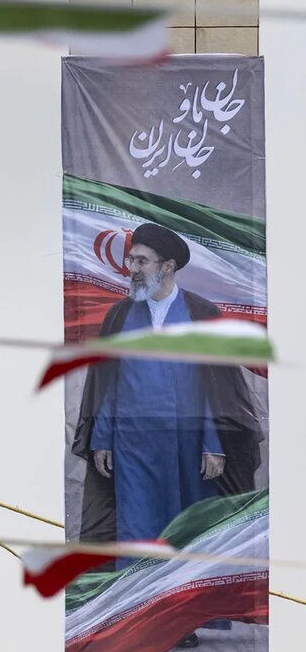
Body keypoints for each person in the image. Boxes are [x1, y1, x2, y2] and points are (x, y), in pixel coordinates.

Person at [73, 222, 263, 546]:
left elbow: (217, 392)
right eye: (131, 260)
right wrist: (102, 438)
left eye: (141, 261)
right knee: (137, 531)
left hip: (189, 446)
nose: (132, 268)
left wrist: (213, 444)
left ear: (168, 267)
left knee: (189, 533)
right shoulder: (119, 316)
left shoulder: (202, 313)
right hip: (133, 445)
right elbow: (107, 384)